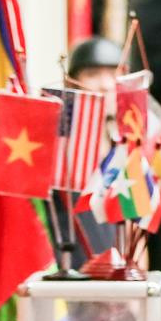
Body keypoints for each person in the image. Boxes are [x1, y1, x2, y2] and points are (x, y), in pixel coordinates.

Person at [56, 36, 126, 269]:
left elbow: (135, 228)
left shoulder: (125, 151)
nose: (105, 84)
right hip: (66, 283)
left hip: (116, 290)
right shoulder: (58, 151)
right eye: (93, 74)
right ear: (73, 82)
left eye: (113, 74)